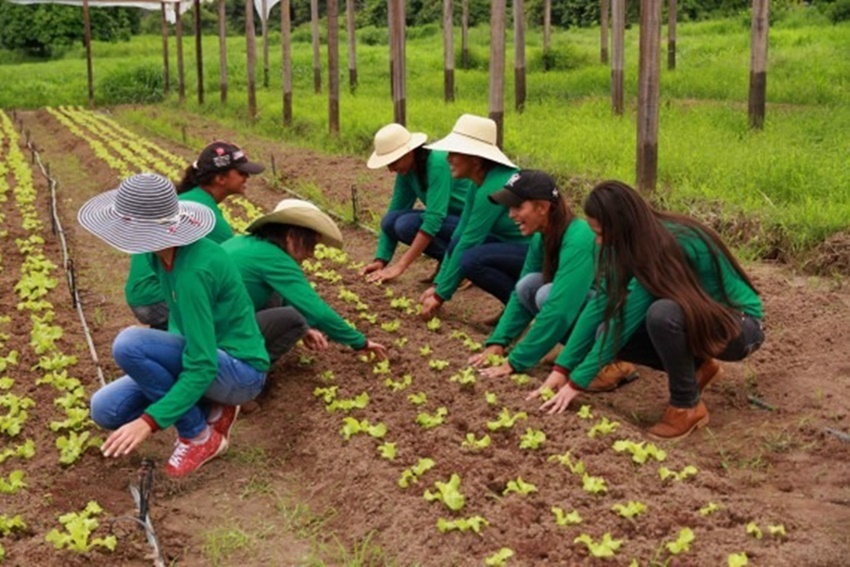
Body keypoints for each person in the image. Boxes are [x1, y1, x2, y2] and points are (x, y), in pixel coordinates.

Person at [529, 180, 765, 440]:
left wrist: (576, 383)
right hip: (699, 322)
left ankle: (687, 407)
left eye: (600, 233)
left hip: (739, 328)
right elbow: (601, 304)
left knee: (663, 314)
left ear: (622, 226)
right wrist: (562, 369)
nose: (597, 242)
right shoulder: (622, 245)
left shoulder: (666, 244)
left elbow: (625, 319)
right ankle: (699, 368)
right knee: (615, 323)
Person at [81, 173, 270, 478]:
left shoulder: (194, 270)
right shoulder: (161, 256)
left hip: (239, 370)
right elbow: (181, 329)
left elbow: (203, 363)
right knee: (106, 408)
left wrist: (149, 422)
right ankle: (210, 405)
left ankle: (199, 436)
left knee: (130, 344)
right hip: (206, 358)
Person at [470, 170, 638, 390]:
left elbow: (561, 308)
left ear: (542, 207)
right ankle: (574, 348)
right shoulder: (542, 237)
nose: (510, 214)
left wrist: (515, 361)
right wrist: (498, 342)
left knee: (546, 294)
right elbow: (519, 298)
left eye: (518, 207)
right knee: (528, 286)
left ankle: (614, 361)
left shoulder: (578, 238)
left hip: (625, 318)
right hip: (597, 307)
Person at [222, 199, 388, 361]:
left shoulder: (242, 243)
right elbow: (317, 311)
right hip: (217, 335)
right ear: (292, 236)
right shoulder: (274, 258)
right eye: (311, 245)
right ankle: (250, 369)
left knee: (279, 298)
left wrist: (305, 329)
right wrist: (361, 342)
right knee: (294, 317)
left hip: (205, 325)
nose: (311, 254)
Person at [125, 141, 264, 330]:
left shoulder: (187, 200)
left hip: (144, 296)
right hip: (157, 298)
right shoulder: (201, 211)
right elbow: (236, 263)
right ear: (220, 179)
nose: (247, 177)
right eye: (241, 172)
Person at [418, 114, 531, 320]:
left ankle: (520, 310)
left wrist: (441, 295)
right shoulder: (477, 183)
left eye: (455, 153)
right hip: (512, 246)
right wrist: (439, 284)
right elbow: (460, 233)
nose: (448, 158)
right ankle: (515, 307)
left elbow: (471, 240)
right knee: (457, 244)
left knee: (472, 260)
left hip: (536, 252)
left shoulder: (494, 186)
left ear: (476, 159)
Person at [361, 123, 471, 284]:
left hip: (470, 223)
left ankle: (459, 266)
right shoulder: (408, 170)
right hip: (451, 221)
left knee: (406, 225)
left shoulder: (437, 163)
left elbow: (434, 218)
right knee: (391, 220)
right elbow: (395, 210)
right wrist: (381, 260)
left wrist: (400, 266)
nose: (391, 169)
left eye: (393, 162)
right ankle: (449, 261)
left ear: (409, 152)